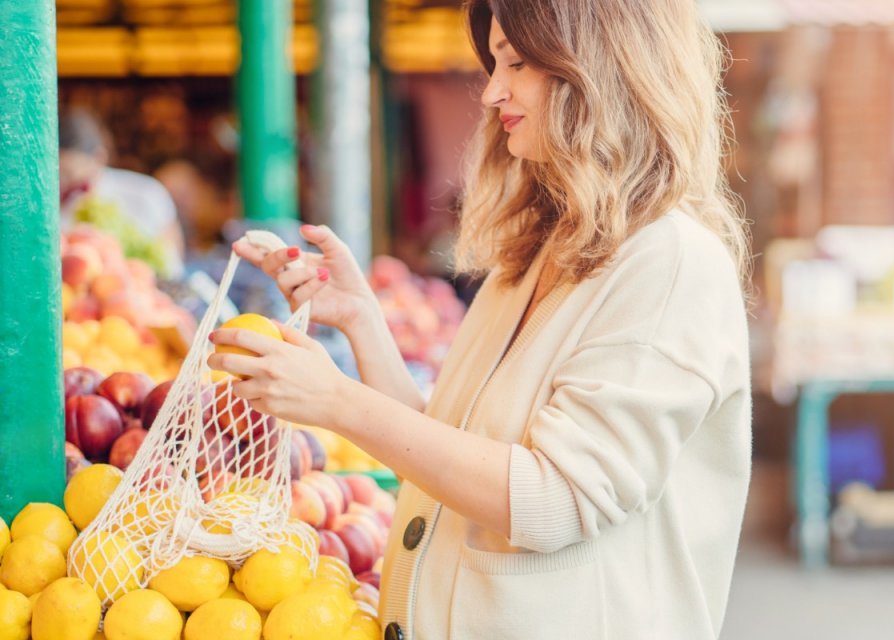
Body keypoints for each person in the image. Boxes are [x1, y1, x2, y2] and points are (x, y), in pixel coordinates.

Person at [208, 1, 752, 638]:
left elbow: (554, 498)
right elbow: (450, 452)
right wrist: (362, 323)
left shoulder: (669, 265)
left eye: (517, 63)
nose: (493, 92)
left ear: (602, 72)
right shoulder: (543, 250)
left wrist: (337, 401)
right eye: (495, 62)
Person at [59, 108, 185, 276]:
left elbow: (172, 265)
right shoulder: (49, 208)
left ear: (99, 158)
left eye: (70, 174)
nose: (65, 183)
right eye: (59, 175)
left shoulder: (145, 193)